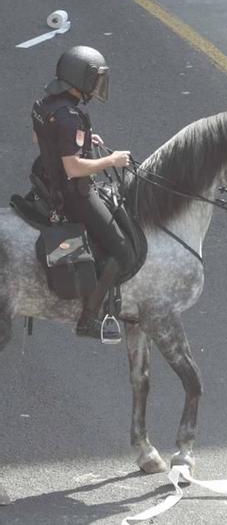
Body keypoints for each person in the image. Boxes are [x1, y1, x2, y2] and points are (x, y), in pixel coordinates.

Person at [29, 46, 133, 341]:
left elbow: (39, 137)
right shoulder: (70, 116)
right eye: (95, 80)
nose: (97, 86)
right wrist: (112, 161)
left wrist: (84, 139)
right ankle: (88, 320)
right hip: (73, 194)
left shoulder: (46, 104)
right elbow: (74, 168)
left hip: (47, 180)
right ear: (80, 80)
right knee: (123, 251)